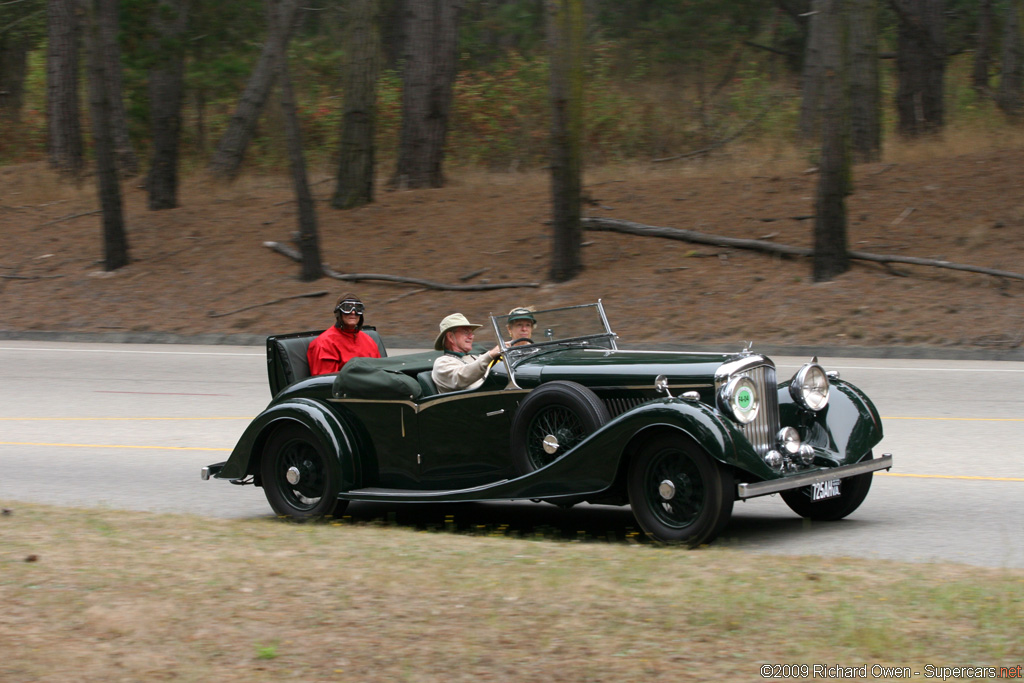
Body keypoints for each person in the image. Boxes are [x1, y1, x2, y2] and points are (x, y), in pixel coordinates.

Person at [307, 293, 381, 376]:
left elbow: (380, 371)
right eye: (347, 308)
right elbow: (326, 382)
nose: (353, 312)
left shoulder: (369, 341)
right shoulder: (325, 344)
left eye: (358, 308)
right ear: (339, 312)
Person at [431, 313, 501, 393]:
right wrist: (490, 355)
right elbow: (460, 378)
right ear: (450, 337)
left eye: (472, 333)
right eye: (466, 332)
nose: (471, 336)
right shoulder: (442, 363)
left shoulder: (474, 358)